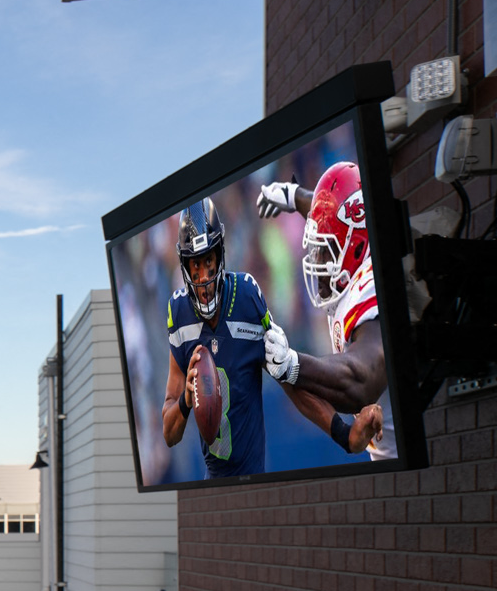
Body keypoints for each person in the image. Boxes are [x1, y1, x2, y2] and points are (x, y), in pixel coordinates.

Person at [257, 163, 391, 458]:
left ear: (356, 247)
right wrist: (295, 196)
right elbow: (333, 215)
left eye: (324, 249)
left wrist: (294, 364)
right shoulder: (360, 241)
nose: (316, 261)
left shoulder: (370, 291)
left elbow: (361, 379)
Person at [161, 198, 270, 476]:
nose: (203, 276)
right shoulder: (178, 312)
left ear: (219, 255)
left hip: (254, 476)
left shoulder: (246, 295)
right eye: (194, 265)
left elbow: (289, 371)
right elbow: (169, 435)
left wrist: (340, 431)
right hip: (214, 481)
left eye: (207, 261)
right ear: (184, 267)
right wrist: (186, 399)